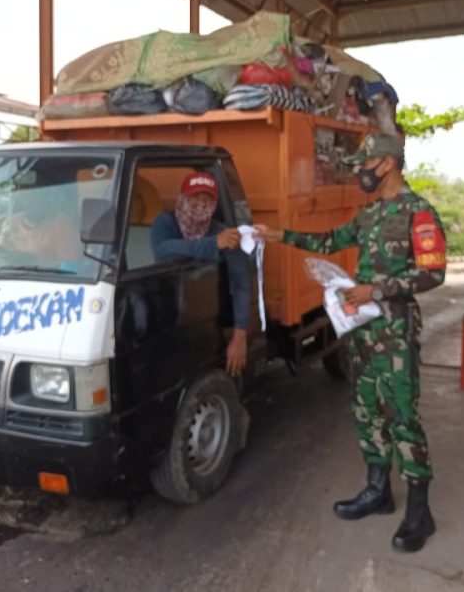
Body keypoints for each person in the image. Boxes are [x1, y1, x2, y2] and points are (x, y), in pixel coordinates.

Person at [256, 133, 446, 553]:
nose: (360, 171)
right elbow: (328, 241)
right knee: (366, 411)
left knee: (402, 415)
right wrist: (277, 234)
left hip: (395, 331)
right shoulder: (371, 214)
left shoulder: (419, 213)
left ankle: (420, 512)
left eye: (365, 164)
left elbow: (433, 273)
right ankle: (377, 491)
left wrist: (375, 290)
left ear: (386, 164)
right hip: (361, 332)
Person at [151, 172, 251, 376]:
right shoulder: (165, 223)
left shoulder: (223, 233)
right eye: (194, 198)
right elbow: (162, 249)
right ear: (182, 198)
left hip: (207, 322)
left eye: (207, 199)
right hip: (166, 317)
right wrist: (212, 244)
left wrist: (240, 335)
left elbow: (241, 283)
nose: (200, 204)